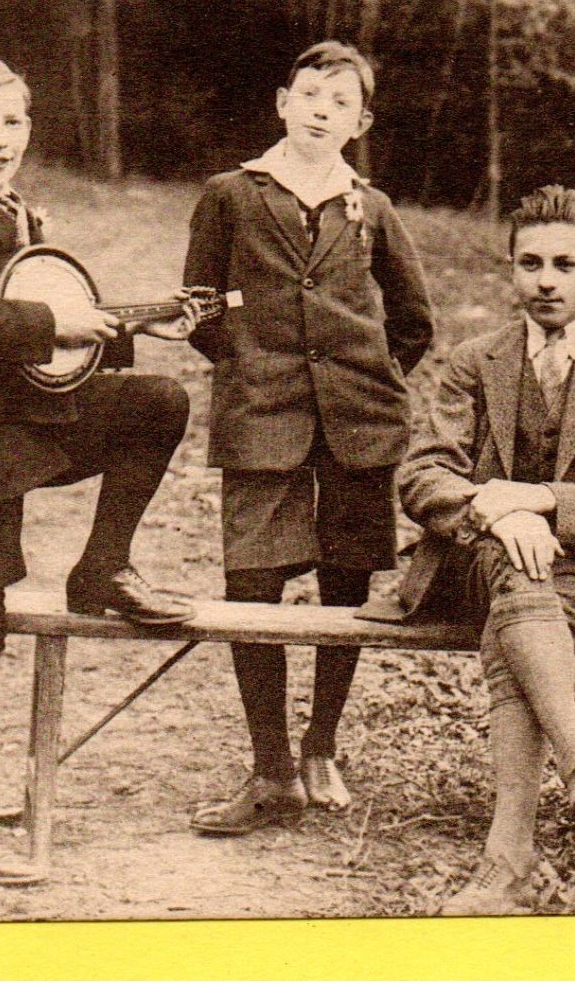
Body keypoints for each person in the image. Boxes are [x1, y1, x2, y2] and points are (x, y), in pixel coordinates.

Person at [0, 53, 198, 886]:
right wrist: (66, 319)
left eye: (11, 120)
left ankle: (100, 568)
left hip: (13, 426)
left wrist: (127, 329)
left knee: (154, 403)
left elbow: (50, 337)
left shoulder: (14, 211)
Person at [392, 186, 575, 915]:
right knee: (513, 564)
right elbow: (422, 474)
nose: (546, 280)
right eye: (530, 263)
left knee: (516, 619)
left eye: (564, 265)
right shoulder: (474, 361)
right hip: (472, 559)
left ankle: (506, 864)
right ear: (511, 269)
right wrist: (488, 506)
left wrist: (538, 500)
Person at [182, 41, 434, 829]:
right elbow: (198, 303)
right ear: (282, 103)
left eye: (340, 101)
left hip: (360, 426)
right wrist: (247, 366)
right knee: (250, 581)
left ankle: (322, 743)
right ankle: (270, 768)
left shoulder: (373, 207)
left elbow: (414, 319)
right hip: (260, 417)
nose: (322, 110)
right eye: (310, 94)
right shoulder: (231, 194)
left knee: (348, 582)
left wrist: (371, 380)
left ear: (359, 122)